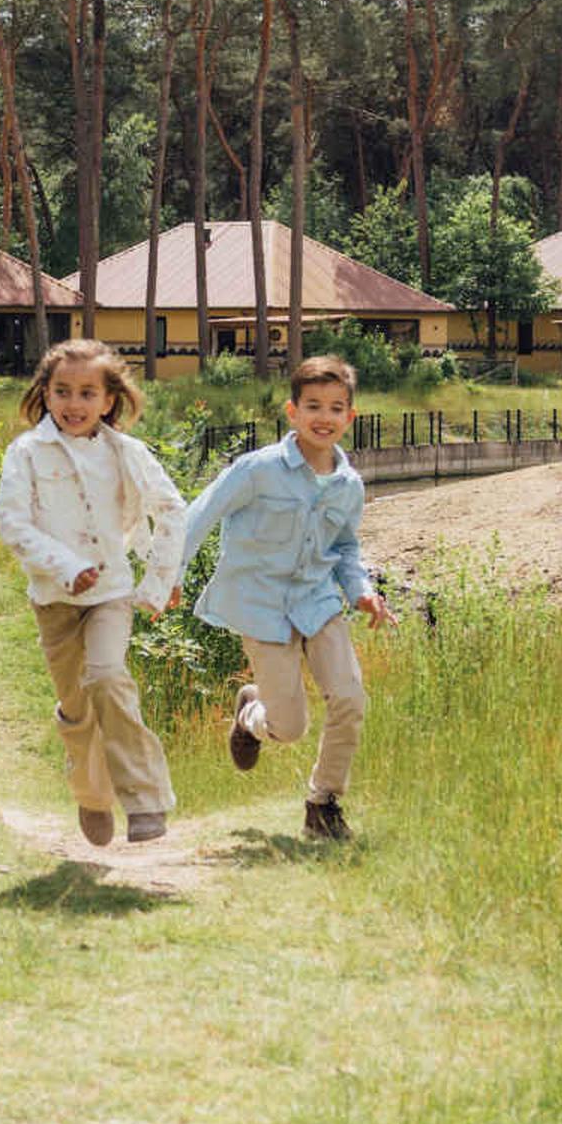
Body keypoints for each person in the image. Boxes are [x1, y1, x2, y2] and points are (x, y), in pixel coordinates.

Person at [172, 353, 392, 842]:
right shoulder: (258, 470)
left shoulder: (349, 486)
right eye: (313, 406)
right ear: (292, 412)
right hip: (262, 607)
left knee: (350, 697)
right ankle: (250, 713)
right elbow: (200, 514)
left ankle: (323, 804)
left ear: (350, 417)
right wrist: (172, 573)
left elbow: (345, 548)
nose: (324, 417)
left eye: (336, 408)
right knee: (289, 728)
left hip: (318, 603)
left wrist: (362, 591)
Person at [0, 337, 189, 847]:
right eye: (62, 392)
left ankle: (144, 799)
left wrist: (159, 580)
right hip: (53, 599)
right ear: (45, 394)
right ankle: (91, 793)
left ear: (108, 400)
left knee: (106, 676)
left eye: (87, 393)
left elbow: (172, 510)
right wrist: (66, 566)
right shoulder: (26, 453)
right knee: (77, 709)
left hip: (111, 592)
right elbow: (13, 524)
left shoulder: (128, 453)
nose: (73, 404)